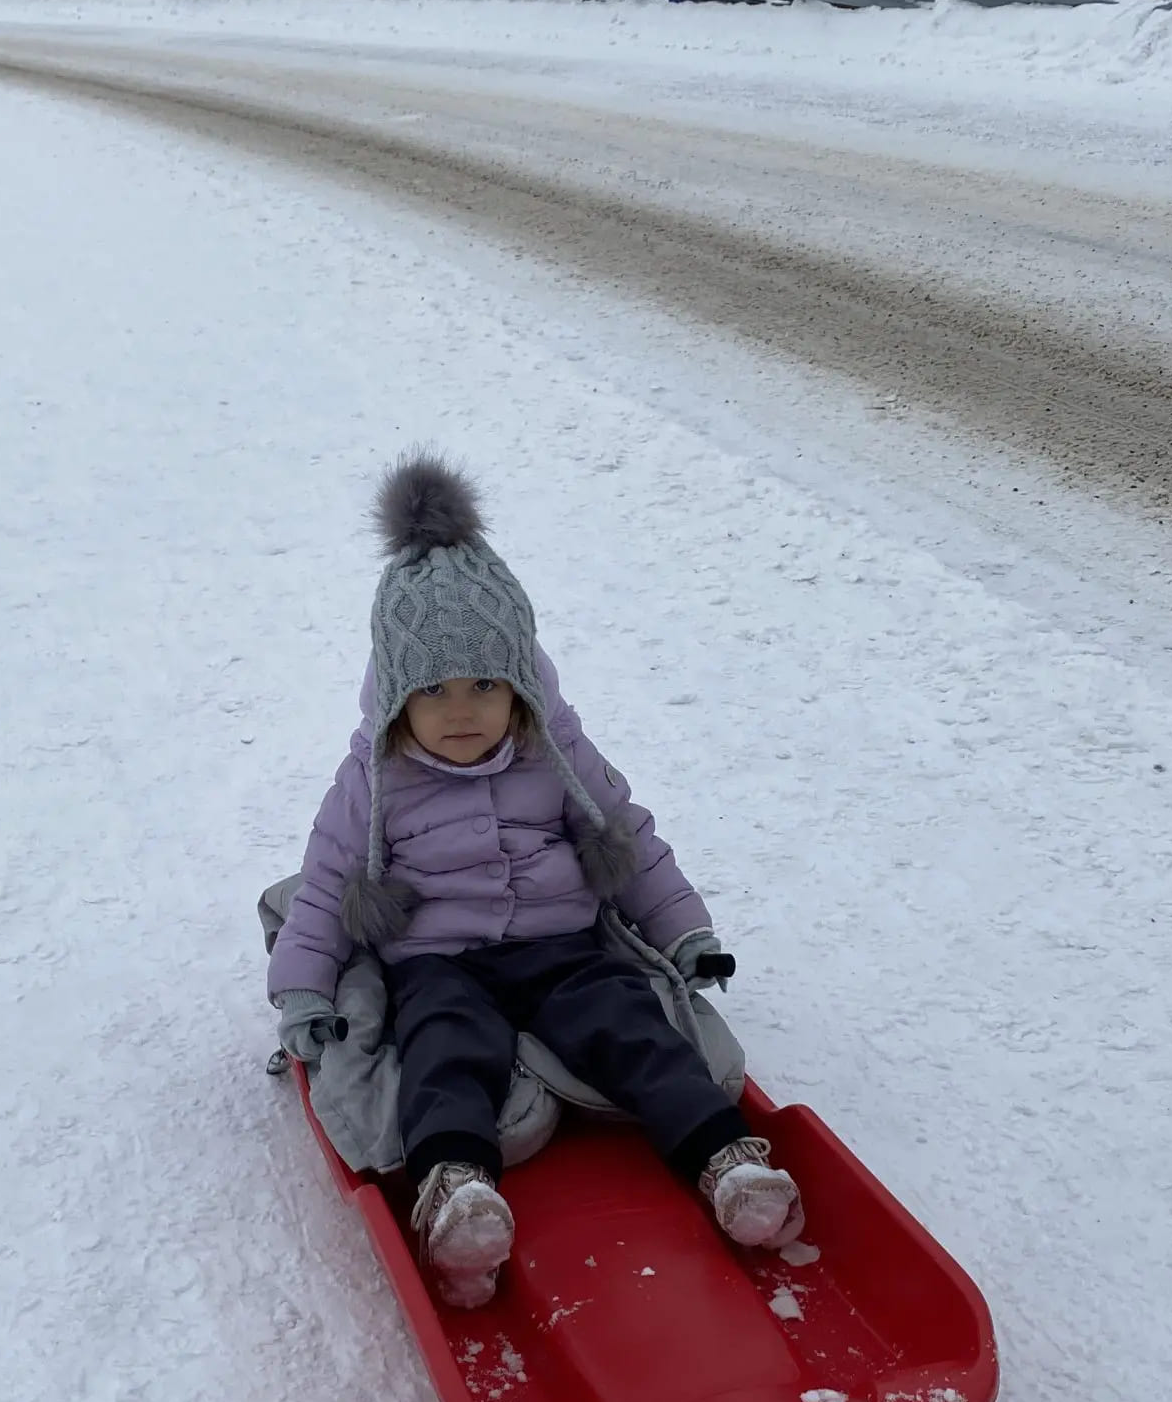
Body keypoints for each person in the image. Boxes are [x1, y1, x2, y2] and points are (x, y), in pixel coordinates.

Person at [268, 456, 802, 1309]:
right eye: (434, 689)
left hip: (562, 946)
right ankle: (457, 1189)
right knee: (443, 1047)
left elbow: (625, 836)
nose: (462, 710)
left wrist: (684, 932)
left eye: (485, 684)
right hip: (439, 961)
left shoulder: (556, 751)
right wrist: (303, 991)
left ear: (519, 683)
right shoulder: (373, 778)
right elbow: (329, 884)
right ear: (397, 695)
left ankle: (725, 1158)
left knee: (631, 1022)